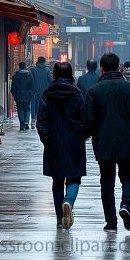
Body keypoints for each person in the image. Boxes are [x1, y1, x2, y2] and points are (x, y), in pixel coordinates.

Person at [85, 53, 130, 232]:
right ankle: (126, 205)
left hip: (104, 142)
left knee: (106, 181)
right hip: (128, 141)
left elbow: (89, 122)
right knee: (128, 178)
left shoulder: (94, 91)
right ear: (119, 66)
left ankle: (111, 222)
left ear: (102, 68)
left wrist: (90, 136)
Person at [36, 61, 87, 230]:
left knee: (57, 181)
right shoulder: (78, 95)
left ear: (55, 75)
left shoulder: (47, 95)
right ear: (71, 74)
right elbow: (85, 120)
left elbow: (41, 122)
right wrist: (82, 135)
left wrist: (47, 138)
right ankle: (68, 201)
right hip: (74, 142)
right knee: (74, 178)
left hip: (53, 142)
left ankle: (59, 219)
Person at [11, 61, 35, 131]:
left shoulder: (15, 76)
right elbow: (32, 86)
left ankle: (22, 125)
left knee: (20, 110)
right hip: (28, 96)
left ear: (19, 67)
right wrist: (31, 94)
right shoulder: (29, 75)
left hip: (18, 96)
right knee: (27, 109)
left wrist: (14, 94)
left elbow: (13, 87)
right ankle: (26, 123)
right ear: (25, 67)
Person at [30, 57, 52, 130]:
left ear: (37, 61)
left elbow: (31, 81)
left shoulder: (33, 70)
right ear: (44, 61)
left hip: (35, 91)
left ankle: (33, 121)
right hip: (44, 92)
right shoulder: (47, 70)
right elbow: (50, 80)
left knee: (34, 106)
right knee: (44, 107)